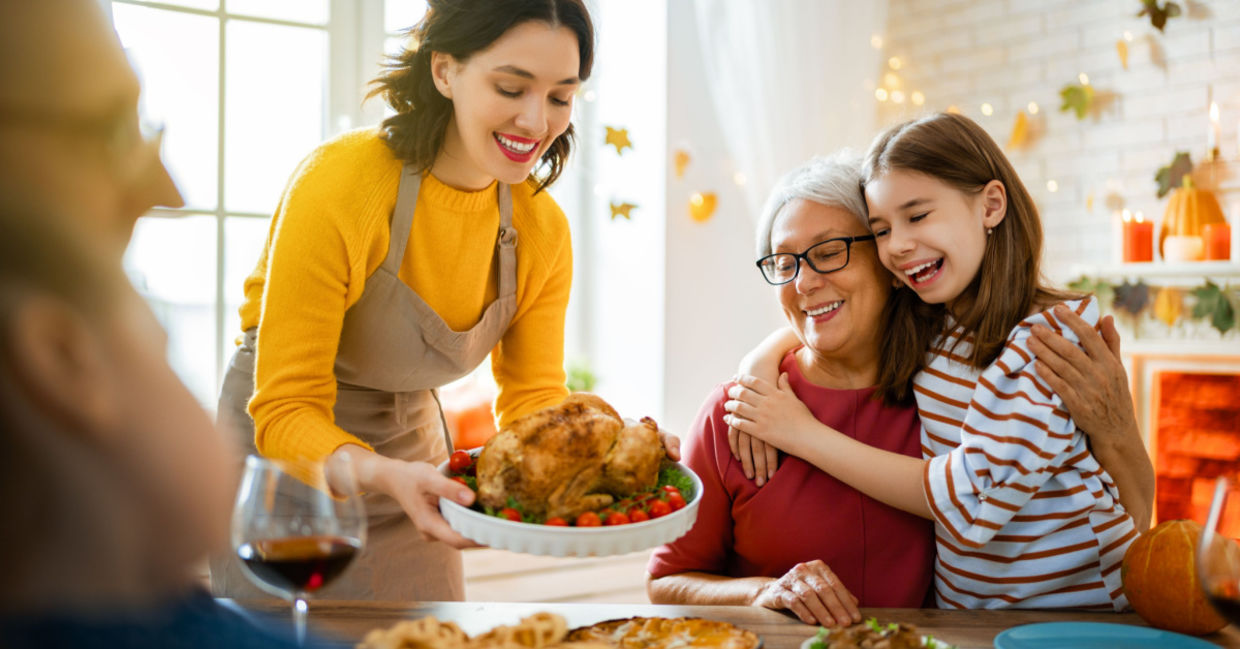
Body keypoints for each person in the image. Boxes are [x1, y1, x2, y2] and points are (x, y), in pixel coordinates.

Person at [213, 0, 674, 602]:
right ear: (444, 71)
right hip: (283, 471)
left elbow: (534, 401)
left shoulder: (542, 230)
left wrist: (615, 438)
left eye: (561, 97)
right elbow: (284, 409)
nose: (536, 122)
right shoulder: (341, 184)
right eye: (511, 87)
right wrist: (383, 475)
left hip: (416, 469)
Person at [724, 112, 1154, 611]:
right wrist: (760, 360)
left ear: (991, 205)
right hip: (972, 618)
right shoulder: (938, 321)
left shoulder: (1046, 342)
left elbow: (974, 501)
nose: (898, 246)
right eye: (882, 229)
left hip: (1078, 611)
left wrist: (801, 433)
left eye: (918, 215)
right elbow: (824, 319)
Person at [646, 153, 935, 627]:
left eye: (828, 253)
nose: (803, 282)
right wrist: (764, 591)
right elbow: (667, 582)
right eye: (785, 262)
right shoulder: (735, 411)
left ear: (886, 259)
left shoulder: (943, 393)